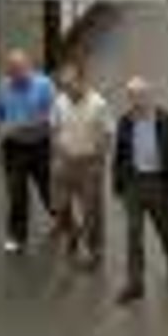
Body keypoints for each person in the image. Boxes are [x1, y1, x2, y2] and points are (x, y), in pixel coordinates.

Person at [114, 77, 168, 304]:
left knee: (165, 229)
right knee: (133, 233)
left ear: (149, 96)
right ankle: (135, 283)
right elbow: (120, 155)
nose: (136, 101)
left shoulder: (165, 121)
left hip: (158, 184)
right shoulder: (125, 122)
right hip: (134, 183)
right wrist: (118, 184)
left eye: (140, 96)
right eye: (132, 97)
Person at [50, 64, 112, 268]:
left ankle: (95, 250)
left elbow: (107, 134)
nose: (67, 89)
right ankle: (73, 232)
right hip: (65, 161)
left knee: (91, 209)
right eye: (63, 85)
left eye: (70, 84)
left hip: (89, 163)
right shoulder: (59, 102)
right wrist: (58, 153)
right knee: (61, 205)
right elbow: (55, 127)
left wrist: (99, 161)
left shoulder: (98, 104)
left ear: (82, 81)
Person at [0, 48, 55, 253]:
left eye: (19, 69)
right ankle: (17, 236)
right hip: (14, 148)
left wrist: (25, 125)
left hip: (40, 145)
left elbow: (53, 117)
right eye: (12, 70)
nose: (16, 74)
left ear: (28, 67)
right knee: (16, 193)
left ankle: (62, 220)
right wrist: (1, 128)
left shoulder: (44, 85)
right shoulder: (3, 87)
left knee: (48, 189)